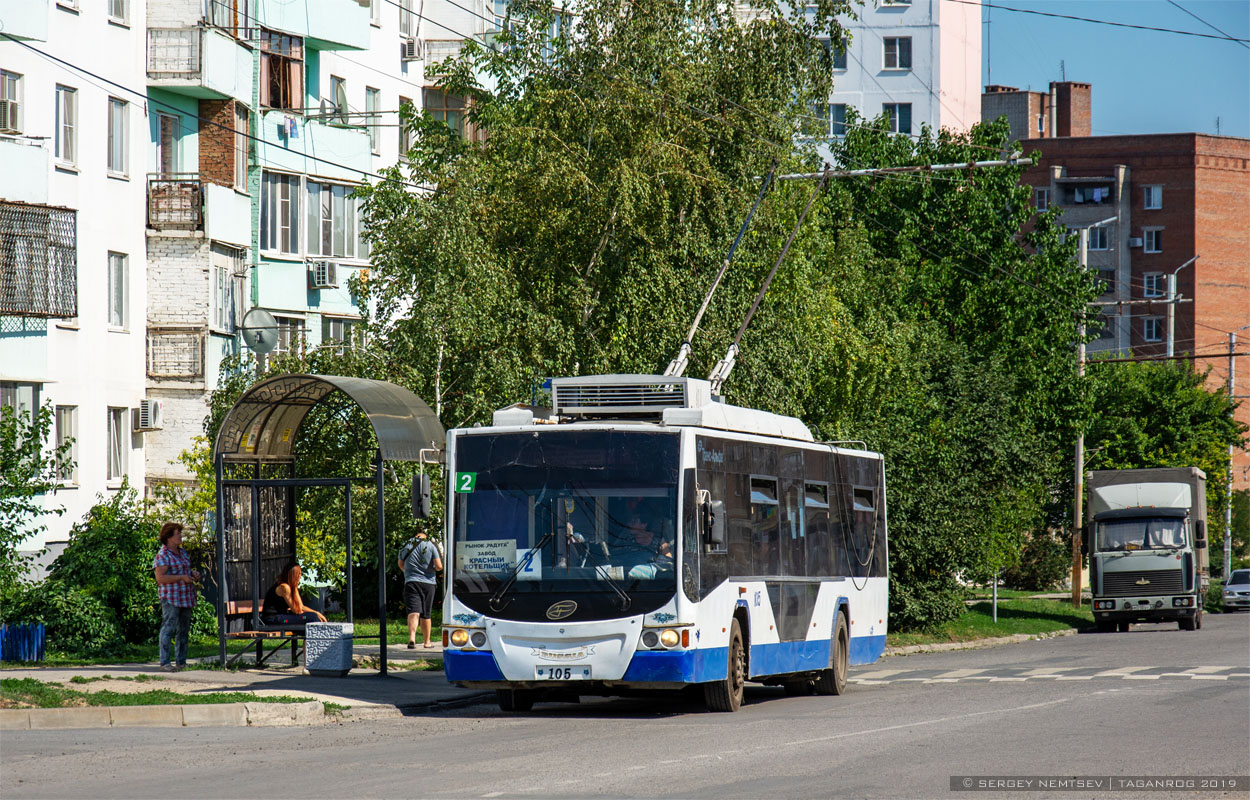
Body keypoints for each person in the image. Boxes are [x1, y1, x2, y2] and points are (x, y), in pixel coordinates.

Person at [153, 522, 199, 672]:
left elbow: (185, 569)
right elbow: (160, 578)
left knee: (183, 630)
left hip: (185, 596)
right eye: (177, 534)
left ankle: (181, 662)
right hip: (171, 597)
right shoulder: (163, 555)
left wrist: (192, 574)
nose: (180, 536)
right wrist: (181, 577)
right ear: (168, 537)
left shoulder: (182, 552)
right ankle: (165, 662)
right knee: (169, 627)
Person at [398, 531, 443, 648]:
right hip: (428, 583)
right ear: (425, 536)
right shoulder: (430, 545)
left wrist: (408, 573)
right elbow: (439, 566)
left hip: (411, 582)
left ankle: (412, 638)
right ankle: (427, 642)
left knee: (413, 610)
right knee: (426, 614)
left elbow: (400, 563)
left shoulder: (405, 545)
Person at [261, 563, 326, 626]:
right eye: (298, 574)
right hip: (272, 619)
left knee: (313, 617)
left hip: (282, 616)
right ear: (292, 575)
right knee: (312, 617)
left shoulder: (292, 586)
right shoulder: (284, 587)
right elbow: (296, 610)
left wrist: (317, 613)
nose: (300, 577)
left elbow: (301, 607)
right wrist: (312, 614)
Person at [619, 514, 673, 580]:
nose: (629, 524)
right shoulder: (627, 540)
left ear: (644, 524)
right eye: (630, 522)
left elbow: (667, 563)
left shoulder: (659, 541)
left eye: (634, 522)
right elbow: (621, 561)